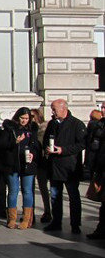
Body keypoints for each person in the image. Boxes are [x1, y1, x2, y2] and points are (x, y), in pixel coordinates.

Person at [42, 99, 86, 233]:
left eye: (54, 109)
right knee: (55, 195)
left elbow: (82, 144)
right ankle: (56, 221)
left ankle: (75, 224)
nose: (53, 112)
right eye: (52, 109)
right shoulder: (52, 124)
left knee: (73, 195)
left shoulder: (76, 124)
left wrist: (63, 150)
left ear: (63, 108)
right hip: (55, 165)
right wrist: (47, 149)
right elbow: (45, 140)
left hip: (70, 166)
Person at [0, 107, 40, 229]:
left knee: (27, 191)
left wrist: (33, 154)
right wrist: (14, 142)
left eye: (27, 118)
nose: (24, 121)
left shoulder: (32, 130)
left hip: (27, 164)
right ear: (17, 117)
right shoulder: (9, 129)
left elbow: (36, 147)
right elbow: (1, 145)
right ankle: (12, 218)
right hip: (12, 164)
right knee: (13, 191)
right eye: (22, 118)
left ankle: (26, 219)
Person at [86, 101, 105, 240]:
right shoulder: (99, 125)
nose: (102, 109)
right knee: (103, 202)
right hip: (101, 168)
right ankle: (101, 229)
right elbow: (93, 147)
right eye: (102, 107)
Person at [30, 108, 51, 223]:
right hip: (32, 161)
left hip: (43, 161)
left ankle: (47, 211)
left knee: (43, 187)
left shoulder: (44, 127)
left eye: (33, 116)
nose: (31, 119)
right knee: (30, 188)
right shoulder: (29, 129)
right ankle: (30, 211)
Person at [85, 109, 103, 180]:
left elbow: (89, 136)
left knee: (91, 166)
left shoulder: (91, 123)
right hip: (96, 147)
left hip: (91, 147)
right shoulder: (98, 124)